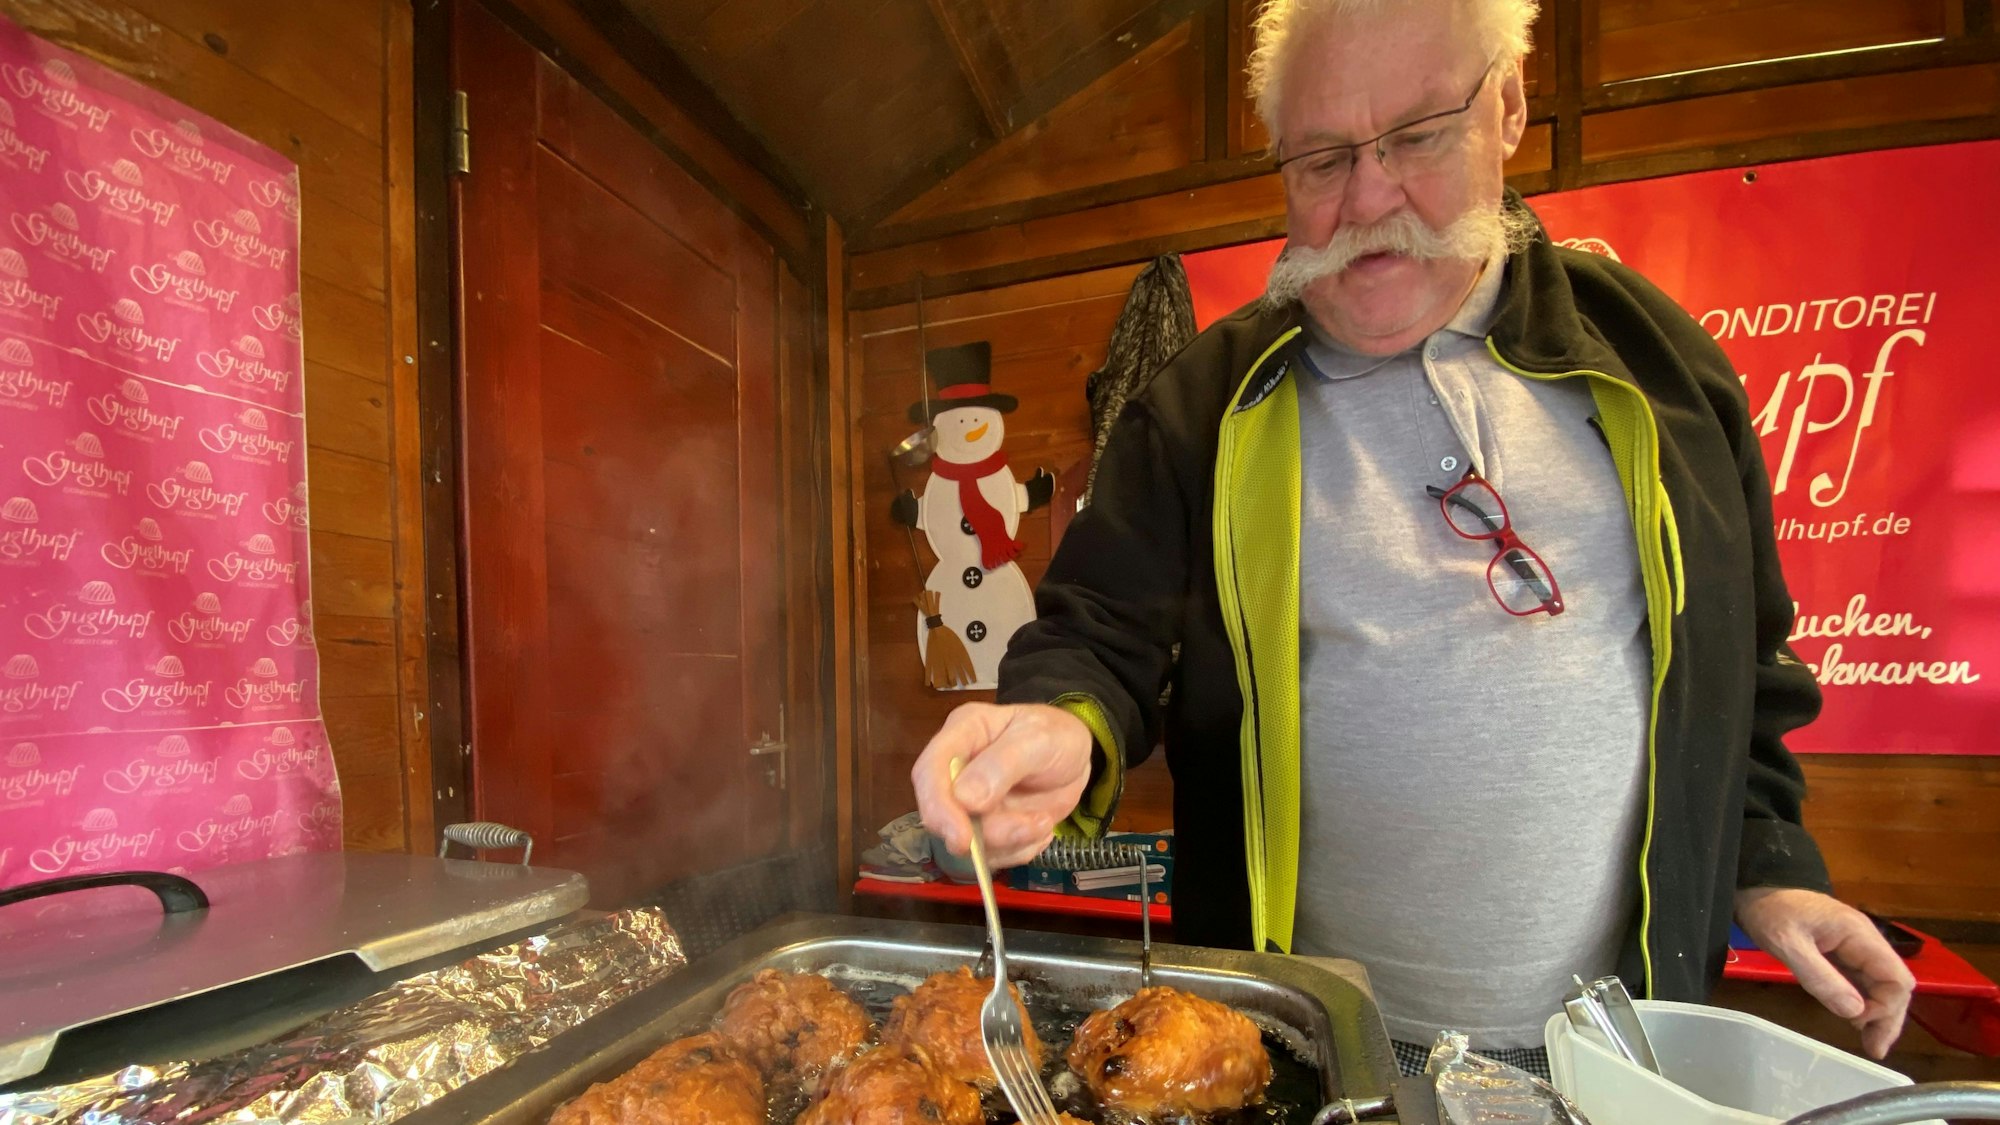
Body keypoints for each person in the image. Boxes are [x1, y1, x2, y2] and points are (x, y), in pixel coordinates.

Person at [910, 0, 1916, 1077]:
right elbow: (1094, 630)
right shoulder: (1204, 402)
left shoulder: (1656, 362)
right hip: (1308, 1048)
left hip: (1614, 1047)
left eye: (1416, 137)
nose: (1367, 198)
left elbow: (1741, 664)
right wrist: (1059, 725)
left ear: (1509, 108)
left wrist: (1771, 868)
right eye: (1321, 159)